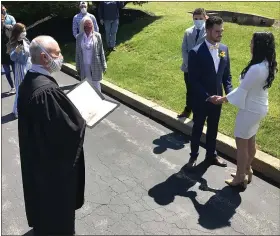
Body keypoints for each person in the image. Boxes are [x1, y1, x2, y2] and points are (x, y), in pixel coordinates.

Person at [17, 35, 86, 236]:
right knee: (57, 213)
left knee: (43, 205)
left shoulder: (30, 80)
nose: (61, 56)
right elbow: (67, 130)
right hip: (52, 169)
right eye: (57, 53)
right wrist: (79, 117)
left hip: (37, 160)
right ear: (45, 57)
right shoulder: (45, 91)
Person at [216, 32, 277, 189]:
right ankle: (247, 169)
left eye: (252, 42)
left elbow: (241, 90)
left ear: (259, 46)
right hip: (260, 107)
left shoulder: (256, 68)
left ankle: (239, 177)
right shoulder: (268, 64)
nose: (250, 45)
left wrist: (222, 99)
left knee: (241, 143)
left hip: (250, 109)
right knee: (250, 139)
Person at [186, 16, 233, 169]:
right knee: (198, 128)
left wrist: (230, 93)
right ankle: (193, 157)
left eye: (222, 31)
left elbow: (226, 75)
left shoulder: (224, 49)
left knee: (213, 128)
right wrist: (207, 97)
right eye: (217, 31)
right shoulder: (195, 52)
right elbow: (193, 80)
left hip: (218, 100)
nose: (221, 34)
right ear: (207, 30)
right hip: (202, 100)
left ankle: (211, 155)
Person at [178, 8, 207, 118]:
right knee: (190, 90)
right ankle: (187, 110)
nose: (198, 20)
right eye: (196, 19)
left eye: (200, 18)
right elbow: (184, 49)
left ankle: (199, 113)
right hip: (188, 68)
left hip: (202, 70)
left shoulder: (208, 32)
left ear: (205, 18)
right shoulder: (188, 32)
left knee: (200, 92)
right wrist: (189, 64)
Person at [76, 16, 107, 92]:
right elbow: (77, 53)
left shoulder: (97, 36)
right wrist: (78, 66)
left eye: (90, 25)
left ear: (92, 25)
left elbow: (101, 51)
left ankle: (99, 100)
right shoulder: (79, 37)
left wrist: (104, 65)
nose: (88, 27)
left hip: (95, 63)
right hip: (84, 64)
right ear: (83, 26)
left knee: (96, 83)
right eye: (86, 25)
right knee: (86, 83)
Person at [7, 23, 31, 118]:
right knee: (20, 90)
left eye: (25, 31)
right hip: (19, 67)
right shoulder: (12, 43)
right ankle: (17, 110)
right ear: (17, 32)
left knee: (28, 89)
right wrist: (17, 51)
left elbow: (30, 50)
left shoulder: (25, 40)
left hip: (28, 65)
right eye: (22, 31)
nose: (24, 33)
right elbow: (12, 57)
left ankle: (25, 108)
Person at [1, 4, 16, 94]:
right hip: (2, 53)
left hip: (11, 50)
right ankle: (12, 87)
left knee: (15, 71)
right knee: (7, 72)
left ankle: (17, 85)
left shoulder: (10, 21)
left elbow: (15, 30)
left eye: (3, 9)